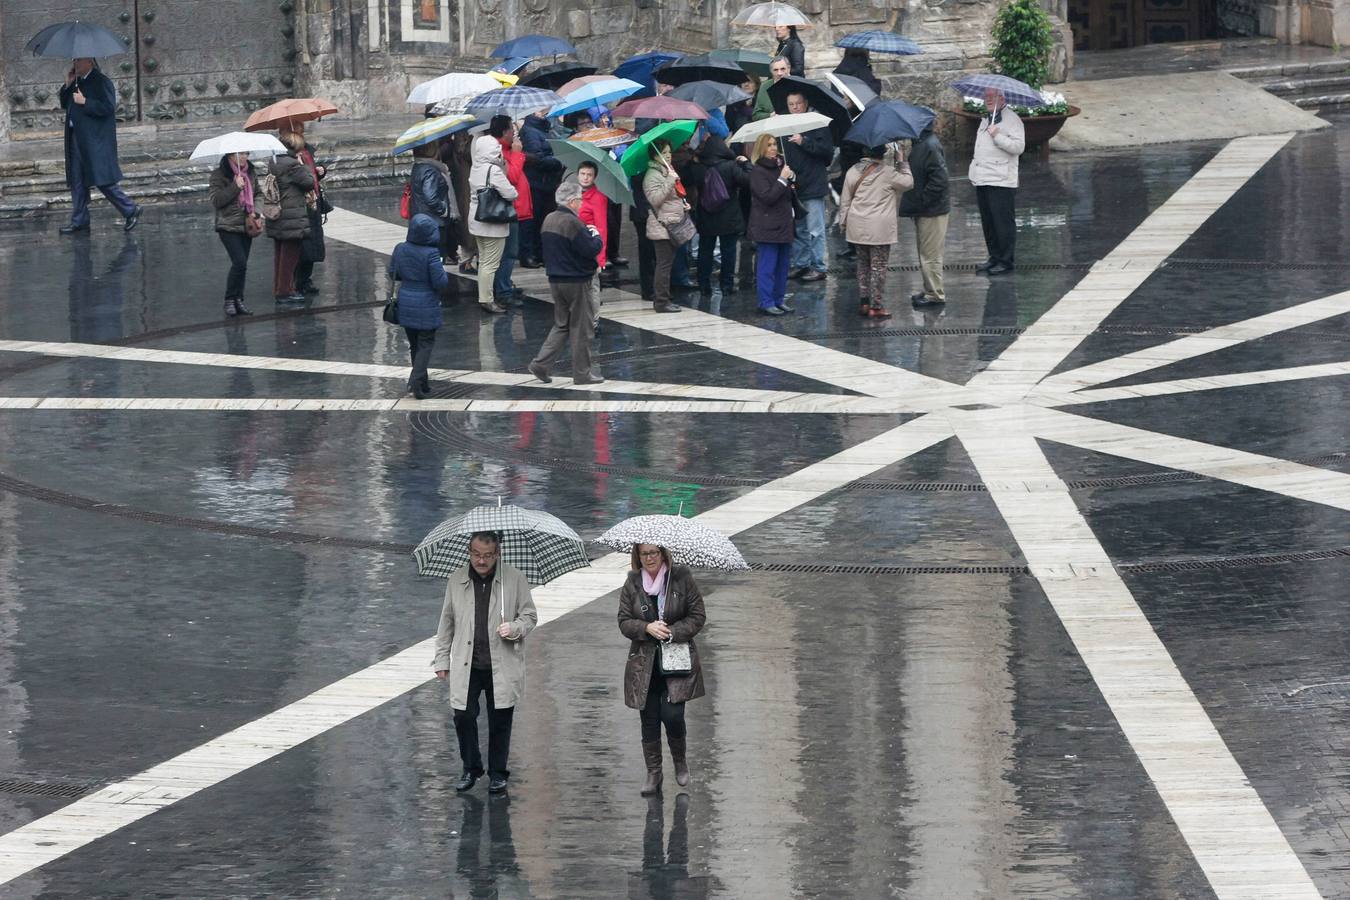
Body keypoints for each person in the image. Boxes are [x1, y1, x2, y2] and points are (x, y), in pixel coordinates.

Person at [433, 532, 538, 796]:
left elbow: (529, 615)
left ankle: (498, 773)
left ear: (497, 554)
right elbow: (446, 622)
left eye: (487, 555)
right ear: (469, 551)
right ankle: (471, 767)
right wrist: (442, 658)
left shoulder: (514, 579)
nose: (481, 560)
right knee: (463, 716)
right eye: (476, 554)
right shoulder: (457, 580)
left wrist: (514, 628)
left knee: (500, 720)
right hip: (467, 663)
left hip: (501, 663)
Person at [617, 543, 706, 796]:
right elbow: (623, 621)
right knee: (649, 719)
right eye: (644, 554)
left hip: (675, 661)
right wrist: (646, 628)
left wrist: (673, 632)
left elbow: (698, 615)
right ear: (638, 556)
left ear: (663, 554)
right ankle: (654, 772)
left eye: (654, 553)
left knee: (673, 715)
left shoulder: (681, 577)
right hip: (644, 664)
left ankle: (679, 759)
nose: (649, 558)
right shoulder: (632, 582)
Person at [527, 181, 605, 386]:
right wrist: (596, 235)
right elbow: (590, 249)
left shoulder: (549, 219)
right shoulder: (573, 222)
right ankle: (582, 373)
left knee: (562, 325)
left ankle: (541, 364)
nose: (581, 203)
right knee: (582, 328)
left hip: (556, 280)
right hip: (577, 281)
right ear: (572, 201)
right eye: (579, 199)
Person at [58, 58, 141, 235]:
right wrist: (67, 85)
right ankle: (79, 220)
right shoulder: (77, 81)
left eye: (78, 61)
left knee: (102, 180)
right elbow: (65, 103)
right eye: (74, 61)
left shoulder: (101, 81)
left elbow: (108, 107)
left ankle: (130, 209)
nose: (75, 64)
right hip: (76, 139)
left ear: (89, 62)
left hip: (94, 141)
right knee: (77, 181)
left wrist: (85, 102)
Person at [836, 145, 914, 319]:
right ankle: (876, 306)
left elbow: (845, 201)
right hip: (879, 229)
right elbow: (908, 183)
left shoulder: (852, 171)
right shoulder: (887, 173)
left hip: (857, 226)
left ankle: (864, 302)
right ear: (883, 153)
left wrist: (843, 223)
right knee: (878, 267)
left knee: (863, 265)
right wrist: (902, 162)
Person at [388, 213, 450, 398]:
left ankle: (423, 383)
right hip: (426, 303)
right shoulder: (431, 254)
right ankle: (415, 381)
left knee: (415, 344)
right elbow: (441, 282)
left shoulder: (400, 248)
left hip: (406, 301)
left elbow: (393, 272)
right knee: (426, 343)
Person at [685, 134, 751, 299]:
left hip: (707, 216)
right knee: (728, 252)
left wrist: (694, 157)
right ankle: (727, 285)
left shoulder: (698, 168)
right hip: (729, 217)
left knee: (705, 251)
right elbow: (748, 181)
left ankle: (704, 285)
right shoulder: (730, 166)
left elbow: (685, 179)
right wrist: (746, 164)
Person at [971, 86, 1025, 276]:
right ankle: (994, 257)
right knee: (989, 222)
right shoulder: (986, 119)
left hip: (1001, 179)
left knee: (1002, 223)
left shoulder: (1013, 120)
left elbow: (1019, 147)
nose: (988, 99)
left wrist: (997, 136)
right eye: (986, 96)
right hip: (983, 177)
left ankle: (1005, 260)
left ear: (1003, 99)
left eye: (992, 96)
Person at [783, 92, 832, 284]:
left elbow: (827, 154)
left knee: (815, 229)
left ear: (805, 104)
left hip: (813, 184)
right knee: (799, 228)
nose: (795, 107)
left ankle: (818, 266)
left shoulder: (817, 124)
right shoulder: (785, 125)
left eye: (798, 103)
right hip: (795, 185)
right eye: (791, 104)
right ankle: (801, 263)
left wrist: (804, 142)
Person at [468, 132, 519, 315]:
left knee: (484, 261)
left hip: (477, 220)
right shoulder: (493, 170)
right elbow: (511, 193)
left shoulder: (476, 167)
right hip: (492, 223)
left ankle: (485, 296)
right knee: (491, 263)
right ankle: (487, 300)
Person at [901, 125, 951, 308]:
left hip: (932, 210)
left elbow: (940, 180)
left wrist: (922, 200)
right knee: (926, 252)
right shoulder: (921, 144)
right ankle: (930, 289)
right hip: (926, 209)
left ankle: (935, 294)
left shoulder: (928, 145)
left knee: (930, 255)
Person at [208, 152, 261, 318]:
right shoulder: (219, 174)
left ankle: (239, 299)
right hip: (228, 225)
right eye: (242, 154)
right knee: (239, 262)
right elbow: (216, 200)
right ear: (231, 156)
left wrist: (257, 212)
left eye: (247, 153)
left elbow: (259, 193)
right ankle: (229, 300)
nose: (245, 156)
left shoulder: (250, 172)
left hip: (247, 224)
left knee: (243, 264)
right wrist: (235, 187)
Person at [747, 134, 796, 316]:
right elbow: (767, 197)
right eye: (769, 145)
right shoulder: (758, 171)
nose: (773, 148)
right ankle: (766, 301)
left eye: (775, 144)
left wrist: (790, 179)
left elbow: (786, 194)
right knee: (767, 266)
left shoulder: (780, 166)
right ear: (762, 148)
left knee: (783, 266)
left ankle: (778, 299)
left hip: (783, 223)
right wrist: (782, 180)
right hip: (767, 225)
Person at [265, 131, 315, 304]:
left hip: (279, 215)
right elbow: (309, 182)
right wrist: (303, 165)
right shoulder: (292, 165)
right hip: (292, 215)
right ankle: (285, 291)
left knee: (280, 254)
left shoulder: (274, 161)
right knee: (290, 256)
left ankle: (279, 288)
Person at [642, 139, 688, 314]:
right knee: (663, 265)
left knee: (667, 264)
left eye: (669, 152)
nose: (668, 155)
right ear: (655, 155)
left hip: (673, 222)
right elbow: (655, 199)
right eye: (664, 152)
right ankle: (661, 301)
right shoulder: (652, 175)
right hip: (661, 227)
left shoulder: (667, 171)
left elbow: (672, 197)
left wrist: (683, 205)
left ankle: (664, 298)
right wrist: (670, 180)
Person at [282, 125, 328, 295]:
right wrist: (301, 168)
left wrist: (321, 171)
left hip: (312, 202)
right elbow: (305, 180)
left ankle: (305, 280)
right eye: (298, 132)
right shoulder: (286, 157)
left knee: (313, 245)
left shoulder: (307, 151)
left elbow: (312, 176)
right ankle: (294, 281)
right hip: (299, 205)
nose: (302, 134)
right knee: (301, 247)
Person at [518, 110, 563, 268]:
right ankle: (530, 254)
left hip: (546, 182)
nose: (545, 110)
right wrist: (559, 161)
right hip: (536, 182)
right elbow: (538, 158)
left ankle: (540, 253)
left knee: (542, 220)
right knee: (533, 220)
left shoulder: (545, 128)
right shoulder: (530, 131)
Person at [495, 117, 531, 305]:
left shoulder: (507, 149)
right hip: (509, 211)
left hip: (515, 209)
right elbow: (513, 177)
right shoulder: (501, 152)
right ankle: (503, 291)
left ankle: (505, 284)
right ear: (503, 132)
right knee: (508, 253)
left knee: (510, 252)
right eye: (512, 130)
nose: (514, 134)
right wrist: (518, 153)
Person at [409, 139, 460, 259]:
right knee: (436, 258)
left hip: (421, 218)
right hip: (434, 221)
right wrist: (444, 210)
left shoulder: (418, 167)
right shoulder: (430, 171)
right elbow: (431, 198)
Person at [752, 57, 791, 121]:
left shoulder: (799, 84)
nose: (779, 73)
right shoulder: (765, 86)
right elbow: (756, 115)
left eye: (783, 69)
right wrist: (770, 115)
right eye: (775, 70)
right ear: (771, 71)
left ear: (789, 69)